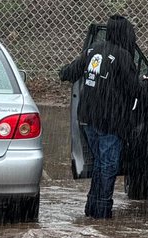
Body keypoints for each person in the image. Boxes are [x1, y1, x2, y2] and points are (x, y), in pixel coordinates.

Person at [60, 14, 141, 219]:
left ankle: (92, 208)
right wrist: (146, 83)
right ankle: (103, 212)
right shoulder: (123, 57)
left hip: (88, 118)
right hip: (110, 121)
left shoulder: (93, 50)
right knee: (108, 166)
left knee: (99, 162)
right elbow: (134, 90)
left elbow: (68, 73)